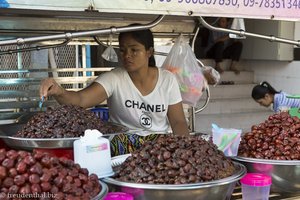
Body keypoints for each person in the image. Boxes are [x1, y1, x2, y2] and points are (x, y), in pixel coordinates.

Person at [39, 26, 189, 155]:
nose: (127, 55)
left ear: (149, 52)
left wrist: (185, 149)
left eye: (134, 50)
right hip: (122, 145)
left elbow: (178, 122)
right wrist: (59, 90)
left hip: (159, 146)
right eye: (123, 50)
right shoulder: (114, 78)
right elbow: (80, 100)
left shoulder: (167, 80)